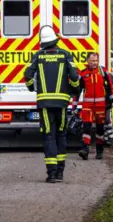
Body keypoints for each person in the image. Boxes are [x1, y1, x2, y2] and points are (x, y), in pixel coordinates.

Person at [24, 25, 81, 183]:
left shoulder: (38, 56)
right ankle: (60, 173)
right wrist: (75, 89)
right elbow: (74, 76)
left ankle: (51, 174)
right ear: (55, 40)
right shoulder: (66, 55)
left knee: (49, 136)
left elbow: (27, 75)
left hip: (44, 104)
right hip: (62, 103)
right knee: (61, 135)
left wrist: (31, 87)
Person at [77, 52, 113, 160]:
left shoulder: (103, 72)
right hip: (87, 106)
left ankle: (99, 151)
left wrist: (112, 99)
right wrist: (75, 106)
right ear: (87, 61)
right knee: (86, 127)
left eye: (96, 61)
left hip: (100, 106)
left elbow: (110, 86)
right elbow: (78, 91)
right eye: (92, 61)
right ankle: (85, 150)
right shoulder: (83, 73)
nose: (95, 63)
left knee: (100, 129)